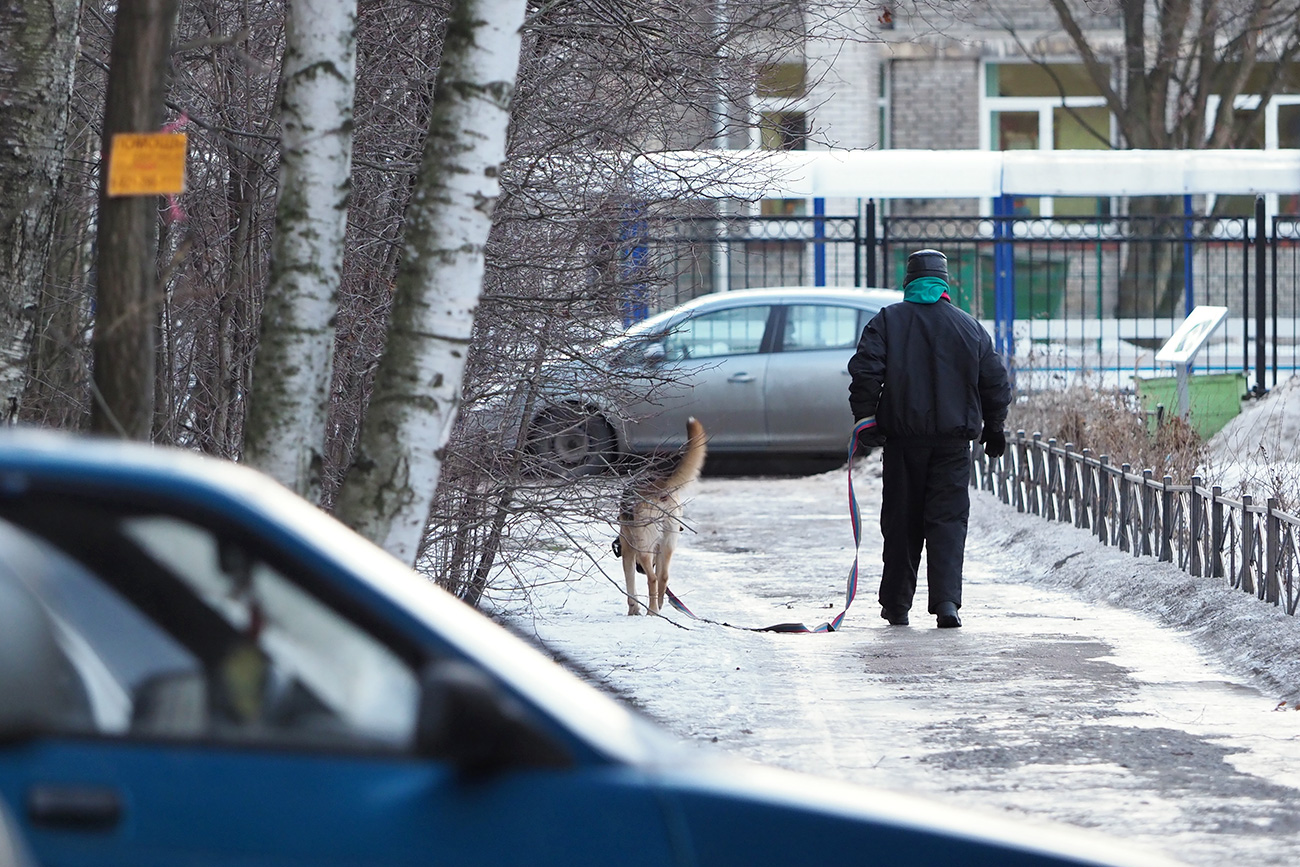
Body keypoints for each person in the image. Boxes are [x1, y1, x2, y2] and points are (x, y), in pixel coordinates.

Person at [847, 249, 1011, 629]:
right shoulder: (969, 327)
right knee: (948, 520)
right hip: (954, 446)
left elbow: (865, 372)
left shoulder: (888, 321)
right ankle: (947, 603)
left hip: (904, 443)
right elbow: (995, 382)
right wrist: (995, 427)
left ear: (909, 281)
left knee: (901, 520)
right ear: (945, 284)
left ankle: (896, 605)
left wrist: (867, 419)